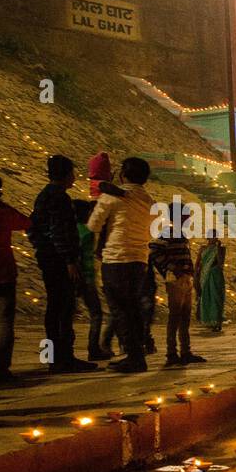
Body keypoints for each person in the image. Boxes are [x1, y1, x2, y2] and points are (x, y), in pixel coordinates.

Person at [86, 156, 159, 372]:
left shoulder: (111, 197)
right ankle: (137, 354)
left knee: (120, 309)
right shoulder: (149, 201)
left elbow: (93, 225)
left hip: (116, 258)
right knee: (133, 308)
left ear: (123, 174)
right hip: (139, 260)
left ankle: (134, 357)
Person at [29, 156, 96, 372]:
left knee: (54, 309)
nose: (75, 177)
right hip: (58, 261)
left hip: (48, 258)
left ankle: (51, 358)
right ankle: (64, 359)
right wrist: (69, 260)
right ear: (66, 174)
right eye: (73, 173)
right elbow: (59, 231)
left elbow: (34, 229)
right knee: (62, 310)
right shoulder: (59, 198)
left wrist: (42, 248)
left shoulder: (43, 196)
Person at [150, 203, 204, 366]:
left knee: (185, 317)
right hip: (176, 281)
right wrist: (172, 268)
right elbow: (153, 251)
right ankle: (172, 353)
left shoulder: (181, 234)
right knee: (175, 317)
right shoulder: (169, 232)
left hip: (185, 280)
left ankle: (185, 351)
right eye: (185, 216)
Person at [0, 175, 31, 382]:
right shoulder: (3, 211)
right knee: (3, 321)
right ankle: (1, 368)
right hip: (3, 271)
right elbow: (26, 222)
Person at [71, 200, 107, 360]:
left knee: (67, 314)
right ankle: (93, 348)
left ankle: (60, 352)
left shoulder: (71, 230)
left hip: (77, 276)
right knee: (96, 313)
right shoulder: (87, 231)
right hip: (86, 276)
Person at [197, 233, 226, 333]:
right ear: (208, 237)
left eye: (215, 237)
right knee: (206, 298)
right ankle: (208, 321)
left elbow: (220, 262)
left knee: (216, 298)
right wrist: (196, 274)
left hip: (215, 275)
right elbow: (198, 262)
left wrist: (218, 249)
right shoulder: (203, 248)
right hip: (205, 275)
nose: (214, 238)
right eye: (212, 236)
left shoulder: (219, 249)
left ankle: (217, 322)